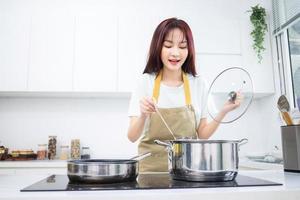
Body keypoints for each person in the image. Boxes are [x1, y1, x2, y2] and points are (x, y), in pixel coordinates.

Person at [127, 18, 240, 172]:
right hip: (150, 173)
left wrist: (223, 110)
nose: (175, 52)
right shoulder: (145, 82)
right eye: (168, 45)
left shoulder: (199, 84)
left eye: (182, 46)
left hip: (188, 171)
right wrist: (143, 115)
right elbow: (132, 136)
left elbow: (203, 134)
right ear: (158, 47)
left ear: (189, 49)